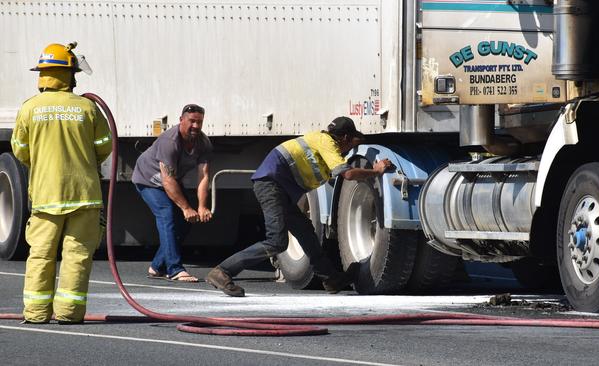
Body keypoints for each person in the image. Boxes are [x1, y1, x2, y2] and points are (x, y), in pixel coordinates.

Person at [206, 116, 393, 297]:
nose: (347, 152)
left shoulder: (320, 141)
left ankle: (331, 279)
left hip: (280, 188)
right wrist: (375, 171)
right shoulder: (328, 143)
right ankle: (223, 271)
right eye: (351, 145)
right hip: (271, 185)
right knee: (276, 241)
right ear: (344, 138)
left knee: (305, 231)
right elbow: (349, 175)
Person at [11, 42, 112, 324]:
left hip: (46, 195)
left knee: (41, 256)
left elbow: (20, 150)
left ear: (42, 74)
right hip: (84, 194)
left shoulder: (30, 108)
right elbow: (104, 146)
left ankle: (36, 313)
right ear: (71, 74)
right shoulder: (87, 108)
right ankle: (69, 313)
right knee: (77, 256)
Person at [132, 104, 213, 282]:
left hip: (171, 180)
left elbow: (203, 177)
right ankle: (174, 269)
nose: (196, 126)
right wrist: (185, 208)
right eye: (192, 121)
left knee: (187, 222)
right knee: (167, 214)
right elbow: (167, 181)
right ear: (181, 120)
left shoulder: (203, 142)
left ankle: (157, 266)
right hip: (148, 179)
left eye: (199, 122)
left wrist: (201, 206)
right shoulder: (170, 141)